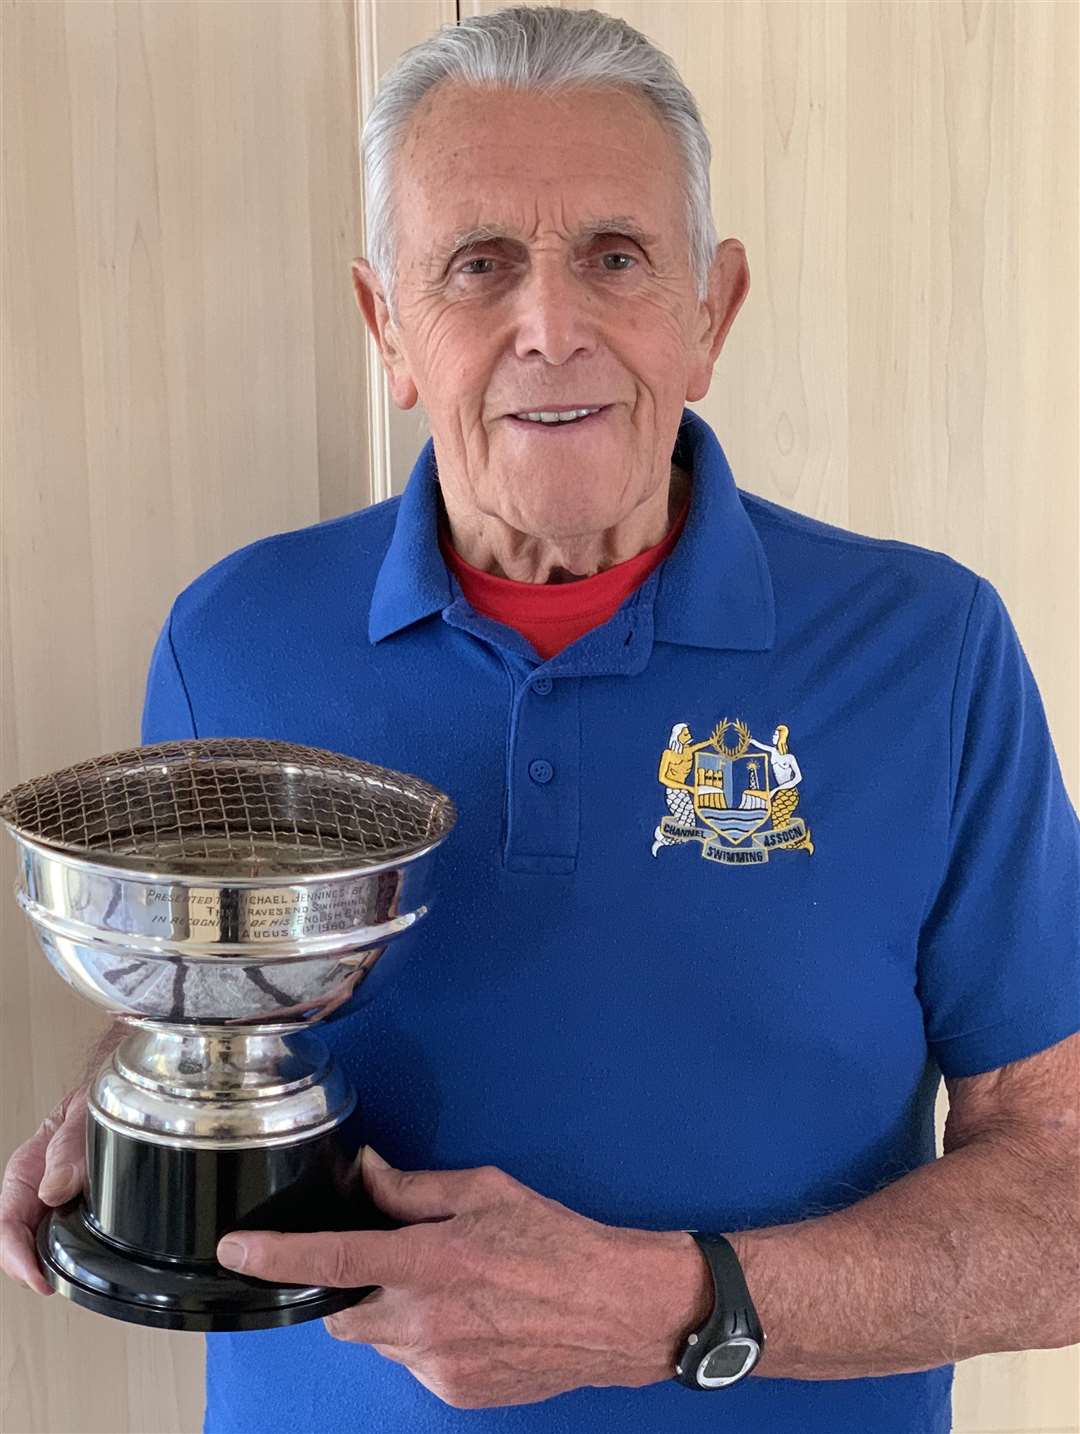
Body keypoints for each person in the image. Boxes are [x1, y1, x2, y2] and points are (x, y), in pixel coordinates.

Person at [3, 6, 1078, 1433]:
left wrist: (673, 1307)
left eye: (615, 257)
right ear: (389, 326)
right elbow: (216, 976)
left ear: (712, 311)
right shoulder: (233, 638)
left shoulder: (930, 649)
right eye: (478, 265)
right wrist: (149, 1085)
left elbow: (1064, 1203)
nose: (551, 327)